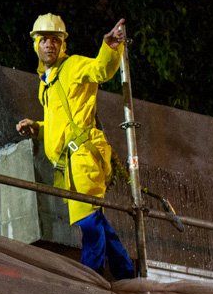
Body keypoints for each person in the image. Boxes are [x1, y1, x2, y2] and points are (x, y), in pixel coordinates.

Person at [15, 14, 137, 279]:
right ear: (36, 45)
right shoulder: (45, 85)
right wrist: (37, 128)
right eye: (44, 40)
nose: (49, 45)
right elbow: (58, 123)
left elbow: (101, 70)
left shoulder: (73, 66)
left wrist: (111, 47)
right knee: (95, 219)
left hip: (83, 158)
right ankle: (126, 274)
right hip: (70, 165)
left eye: (55, 40)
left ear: (62, 44)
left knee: (88, 222)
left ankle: (89, 277)